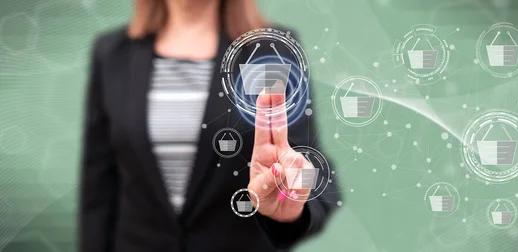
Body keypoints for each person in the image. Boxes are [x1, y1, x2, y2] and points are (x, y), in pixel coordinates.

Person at [78, 0, 340, 251]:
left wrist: (292, 202)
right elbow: (99, 188)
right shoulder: (113, 54)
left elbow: (314, 173)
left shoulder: (269, 51)